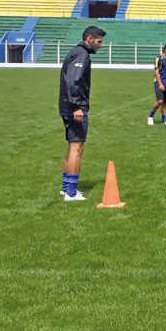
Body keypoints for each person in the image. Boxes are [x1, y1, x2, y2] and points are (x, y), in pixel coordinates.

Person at [58, 25, 106, 201]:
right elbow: (73, 81)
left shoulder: (77, 52)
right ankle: (71, 192)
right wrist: (77, 106)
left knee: (72, 146)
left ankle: (66, 188)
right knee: (77, 148)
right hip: (74, 108)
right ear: (89, 38)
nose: (100, 45)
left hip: (68, 106)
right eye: (99, 41)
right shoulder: (81, 54)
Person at [148, 44, 166, 125]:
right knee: (160, 101)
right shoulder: (158, 59)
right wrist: (160, 84)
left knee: (165, 103)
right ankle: (150, 116)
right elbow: (156, 72)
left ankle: (165, 119)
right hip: (158, 83)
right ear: (165, 50)